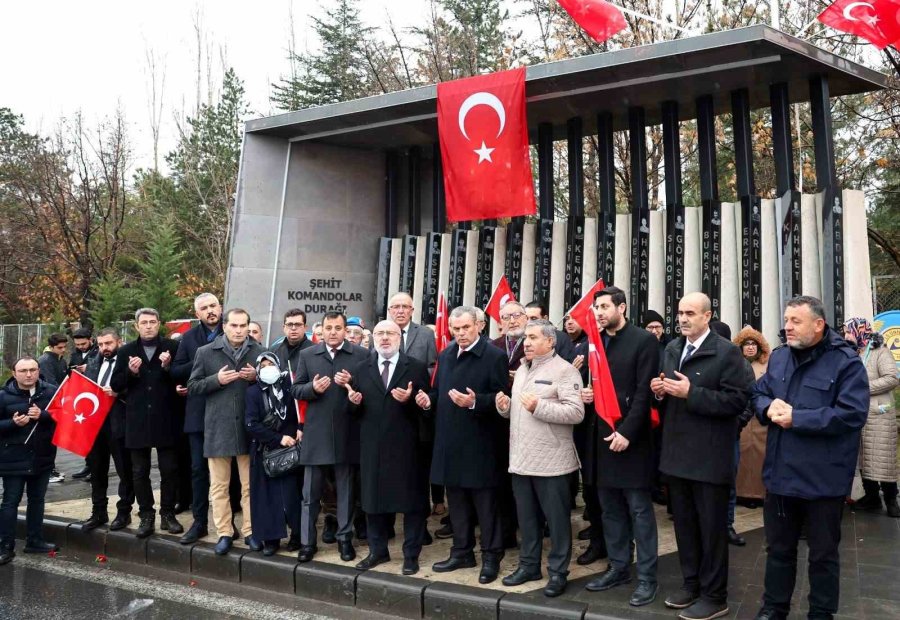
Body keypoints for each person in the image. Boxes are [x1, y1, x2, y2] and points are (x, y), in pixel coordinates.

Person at [750, 297, 869, 620]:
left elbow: (852, 414)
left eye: (795, 321)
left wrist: (798, 418)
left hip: (823, 480)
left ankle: (821, 613)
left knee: (823, 555)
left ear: (819, 324)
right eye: (786, 320)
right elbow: (758, 392)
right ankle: (773, 609)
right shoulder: (778, 358)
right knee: (778, 551)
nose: (786, 326)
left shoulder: (846, 362)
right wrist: (766, 407)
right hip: (780, 476)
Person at [651, 292, 752, 620]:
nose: (682, 319)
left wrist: (692, 393)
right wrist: (660, 392)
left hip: (709, 458)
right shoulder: (671, 349)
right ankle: (690, 583)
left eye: (690, 313)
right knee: (685, 526)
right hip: (676, 453)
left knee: (711, 530)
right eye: (679, 312)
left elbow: (738, 402)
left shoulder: (726, 353)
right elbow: (669, 397)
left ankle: (715, 594)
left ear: (707, 316)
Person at [415, 305, 509, 584]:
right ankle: (462, 551)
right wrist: (429, 400)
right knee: (457, 503)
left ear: (479, 326)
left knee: (486, 506)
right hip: (449, 442)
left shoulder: (494, 356)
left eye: (465, 328)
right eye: (455, 329)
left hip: (481, 444)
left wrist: (476, 402)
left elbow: (503, 398)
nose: (460, 334)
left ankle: (492, 556)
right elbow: (439, 389)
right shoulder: (446, 355)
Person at [495, 319, 584, 597]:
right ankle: (529, 566)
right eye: (525, 338)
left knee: (556, 522)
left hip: (552, 462)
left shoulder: (566, 371)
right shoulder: (522, 369)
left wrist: (540, 406)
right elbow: (521, 412)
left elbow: (576, 413)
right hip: (521, 459)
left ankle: (558, 572)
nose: (527, 343)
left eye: (533, 337)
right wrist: (506, 408)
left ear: (551, 341)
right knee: (527, 519)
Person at [584, 286, 660, 607]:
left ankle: (647, 577)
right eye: (596, 308)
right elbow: (598, 387)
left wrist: (627, 431)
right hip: (601, 438)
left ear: (622, 308)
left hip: (633, 440)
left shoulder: (643, 341)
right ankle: (618, 567)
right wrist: (587, 396)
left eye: (604, 307)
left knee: (639, 511)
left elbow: (644, 392)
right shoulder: (597, 342)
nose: (599, 313)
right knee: (610, 509)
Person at [345, 320, 431, 575]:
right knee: (372, 502)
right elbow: (352, 410)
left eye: (390, 333)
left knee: (412, 504)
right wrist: (353, 402)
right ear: (373, 338)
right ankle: (377, 551)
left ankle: (411, 555)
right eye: (380, 333)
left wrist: (413, 401)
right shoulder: (362, 368)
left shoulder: (415, 368)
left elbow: (428, 405)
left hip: (407, 448)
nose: (384, 338)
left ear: (399, 338)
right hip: (372, 447)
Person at [290, 311, 370, 563]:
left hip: (347, 431)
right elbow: (295, 388)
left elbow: (369, 391)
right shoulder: (307, 355)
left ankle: (345, 540)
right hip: (316, 434)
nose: (333, 332)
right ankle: (307, 542)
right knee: (310, 494)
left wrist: (354, 384)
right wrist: (312, 388)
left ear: (345, 330)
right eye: (329, 328)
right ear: (321, 330)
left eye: (338, 328)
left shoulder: (361, 355)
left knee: (346, 492)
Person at [188, 308, 264, 555]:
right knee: (219, 486)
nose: (239, 330)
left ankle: (252, 531)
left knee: (250, 486)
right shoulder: (206, 352)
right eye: (234, 325)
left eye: (244, 326)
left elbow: (274, 388)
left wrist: (257, 377)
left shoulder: (259, 352)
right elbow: (193, 386)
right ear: (225, 326)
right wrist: (216, 380)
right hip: (218, 427)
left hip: (249, 428)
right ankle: (224, 532)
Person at [111, 307, 183, 539]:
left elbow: (183, 377)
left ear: (159, 323)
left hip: (166, 418)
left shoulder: (172, 348)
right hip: (138, 420)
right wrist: (131, 373)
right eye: (144, 322)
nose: (149, 326)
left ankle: (168, 513)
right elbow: (115, 384)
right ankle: (146, 514)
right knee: (139, 471)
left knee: (169, 470)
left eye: (153, 321)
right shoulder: (126, 351)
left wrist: (167, 367)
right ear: (137, 326)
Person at [170, 293, 225, 544]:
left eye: (213, 305)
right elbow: (177, 372)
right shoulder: (189, 338)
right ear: (197, 314)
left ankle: (234, 524)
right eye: (204, 308)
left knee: (233, 471)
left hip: (228, 413)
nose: (210, 311)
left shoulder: (234, 330)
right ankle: (200, 522)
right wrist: (203, 358)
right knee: (198, 470)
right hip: (198, 414)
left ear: (220, 307)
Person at [0, 356, 60, 565]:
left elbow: (63, 418)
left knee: (38, 500)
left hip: (41, 457)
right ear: (14, 373)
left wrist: (43, 415)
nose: (28, 374)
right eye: (23, 370)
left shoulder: (51, 392)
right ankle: (5, 546)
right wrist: (12, 423)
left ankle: (34, 540)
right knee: (10, 502)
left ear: (38, 371)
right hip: (12, 459)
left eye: (32, 370)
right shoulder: (3, 396)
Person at [244, 352, 302, 556]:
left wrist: (294, 433)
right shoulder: (253, 392)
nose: (268, 367)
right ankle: (271, 539)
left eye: (271, 363)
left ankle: (298, 535)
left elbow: (296, 416)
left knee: (292, 496)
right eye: (263, 364)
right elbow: (251, 424)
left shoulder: (289, 389)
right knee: (266, 498)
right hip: (264, 451)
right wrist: (277, 439)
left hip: (289, 451)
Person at [77, 328, 135, 532]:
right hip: (95, 424)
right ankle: (99, 512)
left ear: (119, 341)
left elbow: (139, 388)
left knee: (124, 471)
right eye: (101, 344)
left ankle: (124, 512)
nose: (105, 348)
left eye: (109, 344)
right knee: (96, 470)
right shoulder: (94, 360)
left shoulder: (129, 359)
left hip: (120, 423)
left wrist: (119, 392)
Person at [845, 317, 900, 517]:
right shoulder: (854, 353)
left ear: (860, 331)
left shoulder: (880, 351)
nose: (846, 336)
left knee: (883, 458)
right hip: (860, 414)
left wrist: (862, 388)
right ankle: (872, 498)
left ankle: (891, 500)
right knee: (865, 457)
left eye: (849, 331)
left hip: (879, 414)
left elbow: (891, 378)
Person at [731, 327, 771, 536]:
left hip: (761, 417)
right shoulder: (736, 365)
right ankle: (743, 493)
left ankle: (758, 494)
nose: (750, 348)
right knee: (744, 454)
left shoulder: (767, 364)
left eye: (753, 344)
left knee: (760, 456)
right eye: (746, 344)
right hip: (743, 417)